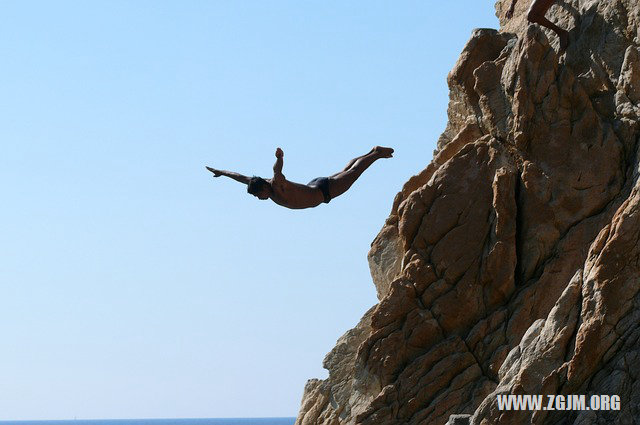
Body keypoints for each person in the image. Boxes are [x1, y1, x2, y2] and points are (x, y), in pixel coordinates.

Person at [206, 146, 394, 209]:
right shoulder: (262, 185)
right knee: (346, 171)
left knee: (353, 174)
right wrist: (222, 172)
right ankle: (371, 152)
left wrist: (279, 158)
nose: (259, 198)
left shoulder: (276, 185)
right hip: (315, 187)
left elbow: (277, 172)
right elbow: (240, 176)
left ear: (263, 188)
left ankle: (375, 154)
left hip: (322, 191)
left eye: (258, 195)